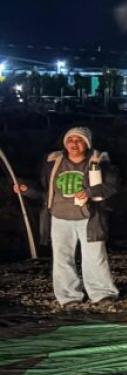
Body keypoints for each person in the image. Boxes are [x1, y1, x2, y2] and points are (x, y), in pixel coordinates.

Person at [13, 126, 119, 308]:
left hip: (89, 217)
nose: (74, 144)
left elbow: (112, 186)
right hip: (59, 218)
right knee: (62, 258)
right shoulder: (53, 162)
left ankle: (102, 294)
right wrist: (27, 190)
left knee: (95, 257)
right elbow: (47, 193)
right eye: (70, 140)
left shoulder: (99, 161)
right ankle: (69, 296)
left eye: (79, 140)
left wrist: (89, 192)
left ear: (87, 143)